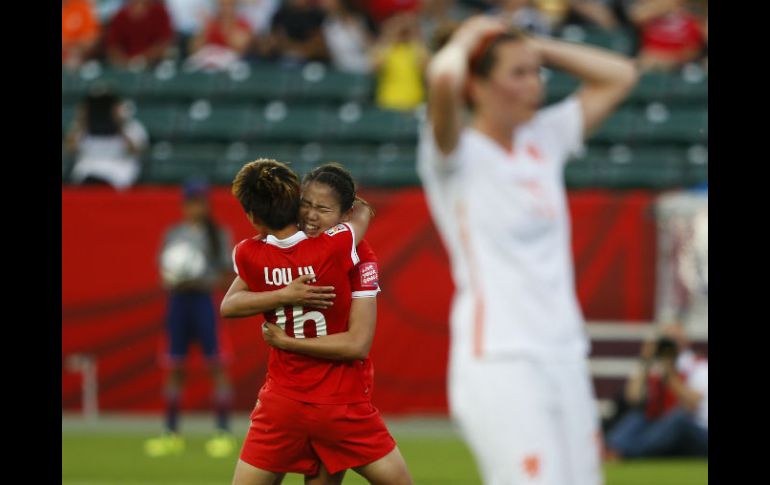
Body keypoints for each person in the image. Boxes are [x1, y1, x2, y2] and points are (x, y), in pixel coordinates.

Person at [417, 15, 638, 484]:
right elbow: (441, 76)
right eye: (518, 73)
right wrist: (466, 37)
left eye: (536, 72)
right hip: (500, 358)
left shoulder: (545, 137)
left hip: (564, 352)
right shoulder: (454, 155)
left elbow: (621, 74)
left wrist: (534, 46)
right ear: (477, 86)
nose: (534, 83)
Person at [221, 163, 413, 485]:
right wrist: (287, 293)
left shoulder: (250, 252)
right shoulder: (346, 249)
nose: (310, 214)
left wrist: (285, 333)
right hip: (337, 404)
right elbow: (357, 345)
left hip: (286, 401)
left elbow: (230, 304)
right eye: (306, 204)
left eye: (322, 208)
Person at [144, 180, 237, 458]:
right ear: (184, 204)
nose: (195, 206)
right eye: (190, 201)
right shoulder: (174, 233)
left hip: (203, 302)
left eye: (200, 201)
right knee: (175, 366)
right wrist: (174, 276)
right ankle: (171, 433)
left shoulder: (217, 234)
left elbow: (227, 274)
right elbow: (163, 268)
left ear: (206, 205)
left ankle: (222, 432)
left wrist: (201, 277)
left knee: (216, 364)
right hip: (178, 303)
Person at [604, 324, 708, 459]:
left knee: (678, 419)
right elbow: (633, 398)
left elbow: (691, 405)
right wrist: (645, 361)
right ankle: (614, 446)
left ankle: (628, 453)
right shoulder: (655, 367)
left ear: (686, 342)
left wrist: (669, 373)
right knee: (639, 415)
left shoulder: (697, 365)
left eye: (674, 339)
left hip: (696, 428)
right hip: (663, 426)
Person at [65, 83, 149, 190]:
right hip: (88, 170)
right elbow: (69, 149)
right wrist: (82, 120)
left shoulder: (132, 127)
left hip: (117, 169)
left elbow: (136, 151)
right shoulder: (82, 127)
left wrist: (119, 124)